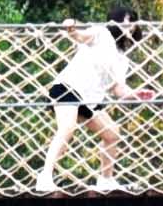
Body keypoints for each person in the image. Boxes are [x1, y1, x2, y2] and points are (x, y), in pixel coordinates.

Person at [40, 16, 135, 193]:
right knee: (67, 128)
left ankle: (105, 180)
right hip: (68, 88)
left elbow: (118, 90)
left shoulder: (122, 60)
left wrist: (137, 95)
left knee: (112, 133)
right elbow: (81, 36)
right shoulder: (102, 33)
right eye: (124, 22)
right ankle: (45, 176)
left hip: (90, 99)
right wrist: (71, 29)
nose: (128, 27)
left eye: (131, 24)